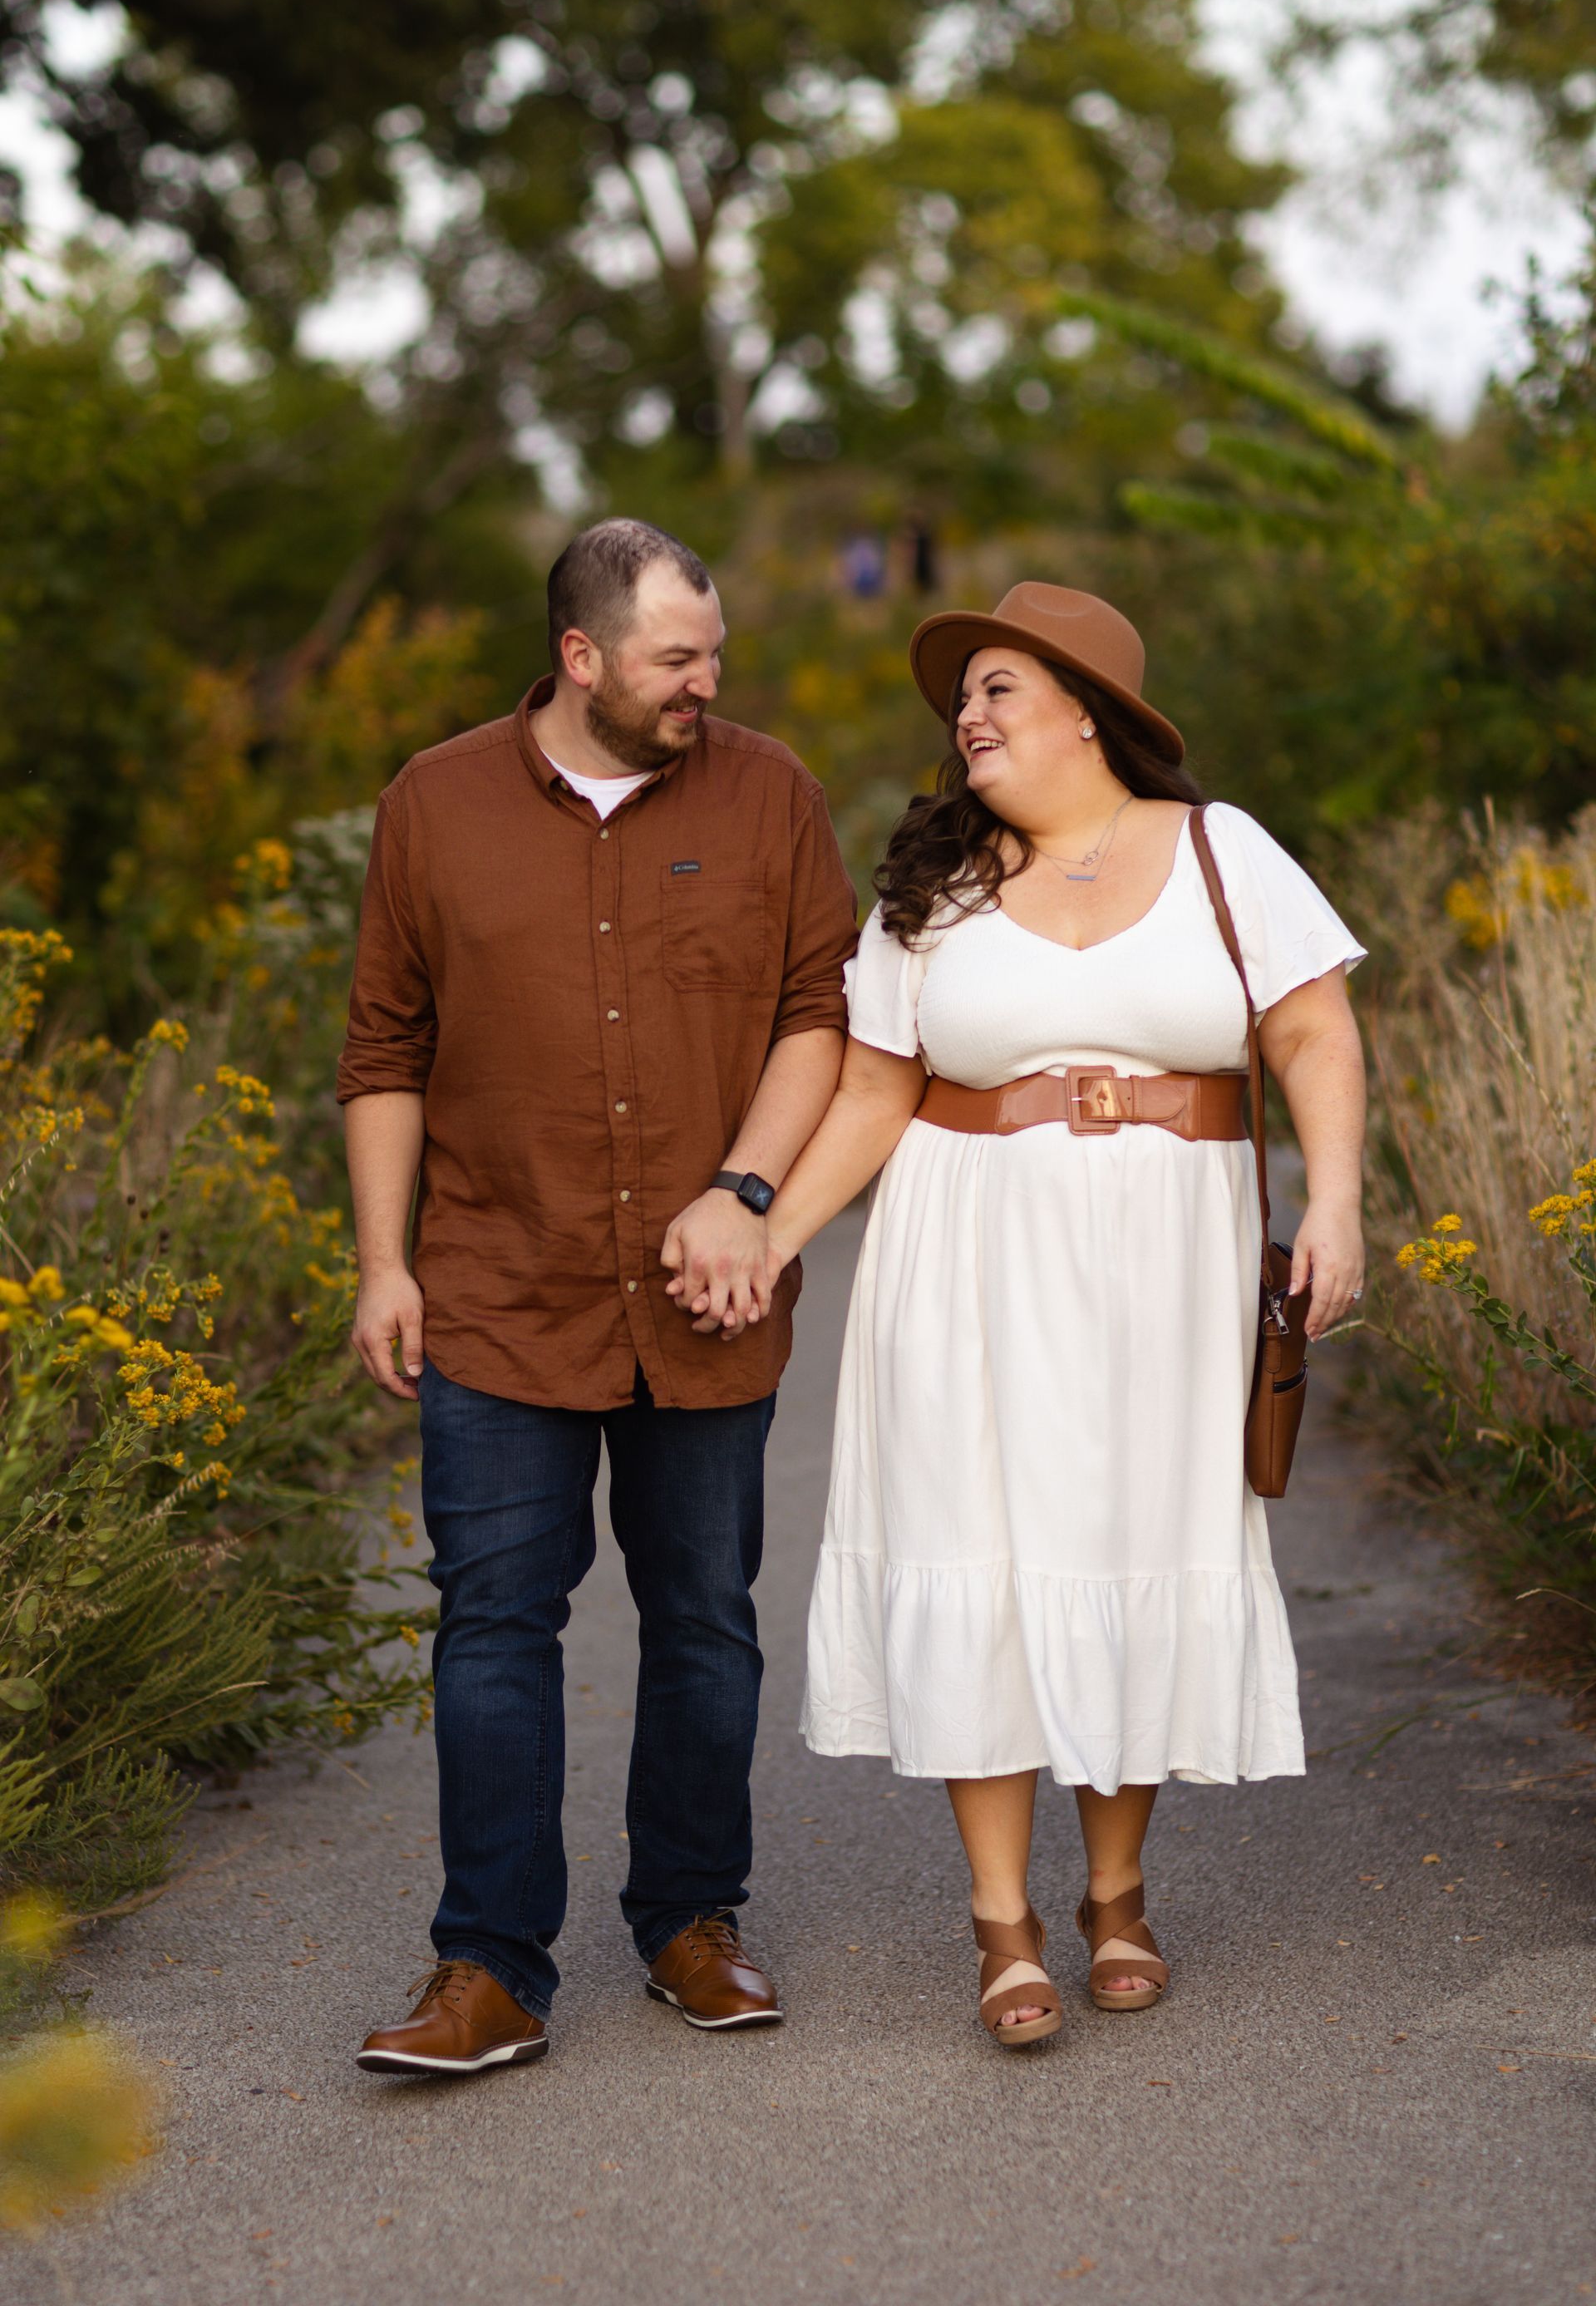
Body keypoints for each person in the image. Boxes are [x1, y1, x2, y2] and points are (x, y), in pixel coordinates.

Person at [754, 582, 1367, 2045]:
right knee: (984, 1547)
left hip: (1169, 1261)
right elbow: (875, 1090)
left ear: (1090, 709)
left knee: (1134, 1535)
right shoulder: (936, 883)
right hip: (964, 1251)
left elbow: (1311, 1029)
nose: (966, 714)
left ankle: (1114, 1892)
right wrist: (771, 1234)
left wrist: (1334, 1203)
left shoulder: (1224, 852)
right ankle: (1002, 1923)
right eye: (959, 696)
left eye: (1000, 687)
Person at [337, 519, 857, 2074]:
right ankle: (488, 1967)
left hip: (711, 1297)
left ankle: (693, 1923)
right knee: (495, 1622)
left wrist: (746, 1190)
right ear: (582, 657)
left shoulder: (772, 794)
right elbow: (385, 1056)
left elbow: (818, 1018)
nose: (709, 681)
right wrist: (384, 1259)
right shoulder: (432, 805)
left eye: (716, 654)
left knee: (704, 1619)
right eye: (675, 659)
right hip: (502, 1286)